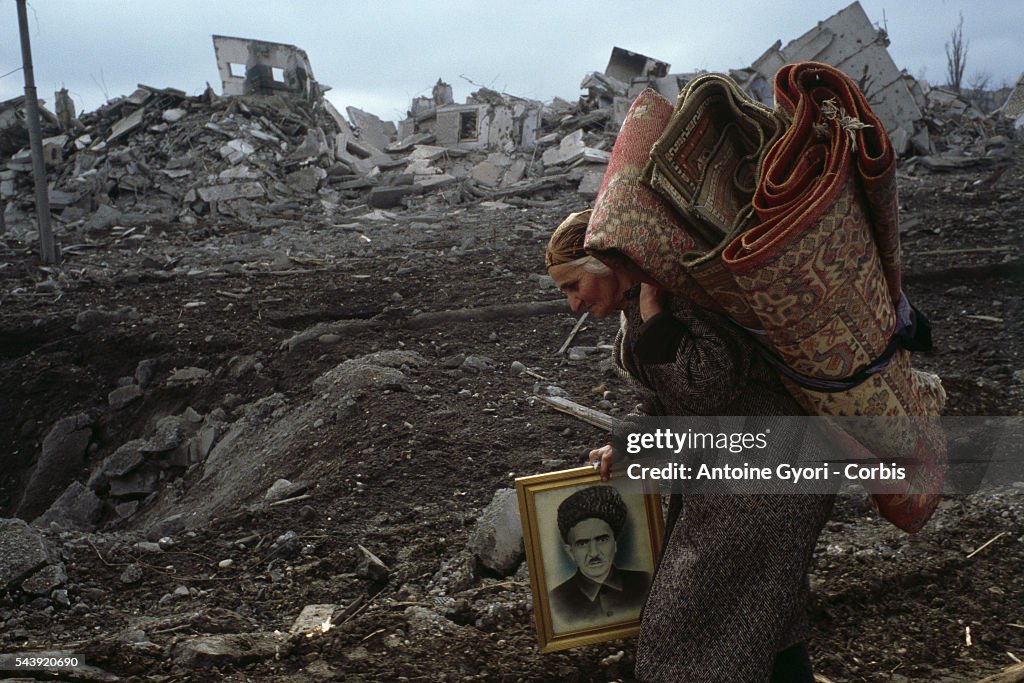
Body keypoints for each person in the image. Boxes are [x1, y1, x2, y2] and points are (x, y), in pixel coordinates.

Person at [545, 209, 836, 683]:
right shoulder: (639, 300)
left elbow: (707, 384)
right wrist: (631, 442)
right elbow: (674, 403)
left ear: (605, 262)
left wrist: (658, 315)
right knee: (764, 619)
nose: (573, 304)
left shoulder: (680, 295)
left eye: (573, 285)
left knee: (687, 628)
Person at [549, 485, 652, 633]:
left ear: (615, 544)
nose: (594, 553)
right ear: (570, 552)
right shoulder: (556, 602)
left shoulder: (647, 583)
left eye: (602, 540)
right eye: (583, 543)